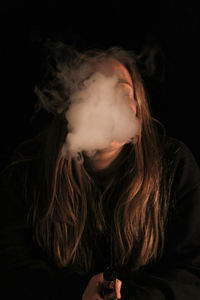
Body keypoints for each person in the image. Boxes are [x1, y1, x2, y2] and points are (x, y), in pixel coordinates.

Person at [1, 42, 200, 300]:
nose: (108, 102)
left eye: (121, 91)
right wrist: (76, 294)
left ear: (138, 105)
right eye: (91, 88)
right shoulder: (28, 168)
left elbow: (193, 270)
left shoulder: (174, 164)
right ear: (68, 107)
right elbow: (10, 265)